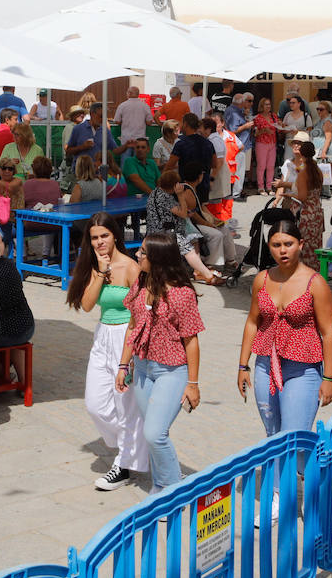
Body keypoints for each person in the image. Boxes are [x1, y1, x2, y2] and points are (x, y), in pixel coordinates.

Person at [237, 219, 332, 466]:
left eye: (288, 244)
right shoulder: (262, 279)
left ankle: (287, 492)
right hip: (265, 365)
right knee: (273, 436)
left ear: (301, 245)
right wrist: (242, 365)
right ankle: (287, 487)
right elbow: (252, 321)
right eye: (276, 245)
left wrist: (329, 379)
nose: (282, 250)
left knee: (292, 439)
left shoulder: (316, 283)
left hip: (302, 368)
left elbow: (329, 333)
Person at [115, 232, 206, 495]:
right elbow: (133, 327)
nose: (137, 255)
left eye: (143, 252)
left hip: (172, 372)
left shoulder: (181, 294)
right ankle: (160, 484)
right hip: (142, 369)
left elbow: (192, 341)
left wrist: (193, 384)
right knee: (151, 432)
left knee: (155, 433)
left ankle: (173, 490)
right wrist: (123, 365)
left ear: (157, 258)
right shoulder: (141, 283)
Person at [67, 213, 147, 491]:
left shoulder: (131, 267)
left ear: (115, 236)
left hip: (126, 337)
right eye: (94, 237)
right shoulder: (94, 266)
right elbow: (88, 305)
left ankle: (124, 463)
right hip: (102, 335)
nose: (100, 242)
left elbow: (141, 313)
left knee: (125, 405)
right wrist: (100, 272)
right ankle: (136, 445)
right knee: (96, 404)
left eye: (105, 236)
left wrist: (132, 354)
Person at [147, 169, 220, 285]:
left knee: (191, 239)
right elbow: (183, 213)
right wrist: (180, 194)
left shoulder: (156, 192)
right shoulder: (164, 197)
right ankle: (206, 274)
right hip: (163, 233)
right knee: (188, 247)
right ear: (175, 185)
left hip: (162, 230)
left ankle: (201, 272)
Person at [0, 228, 33, 386]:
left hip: (3, 330)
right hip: (26, 325)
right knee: (15, 344)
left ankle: (3, 375)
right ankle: (24, 383)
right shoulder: (9, 264)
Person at [178, 160, 236, 280]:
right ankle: (209, 265)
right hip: (190, 225)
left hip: (196, 221)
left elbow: (202, 207)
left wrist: (214, 220)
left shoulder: (193, 188)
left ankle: (230, 259)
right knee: (216, 234)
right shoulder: (187, 191)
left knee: (224, 229)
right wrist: (209, 224)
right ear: (199, 176)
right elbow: (193, 215)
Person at [292, 141, 325, 269]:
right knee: (315, 245)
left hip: (306, 213)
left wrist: (290, 195)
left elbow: (302, 197)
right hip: (317, 211)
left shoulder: (303, 173)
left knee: (304, 247)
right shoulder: (318, 171)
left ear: (301, 154)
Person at [67, 102, 119, 171]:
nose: (103, 119)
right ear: (92, 114)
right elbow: (68, 151)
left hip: (99, 172)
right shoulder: (77, 129)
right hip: (81, 172)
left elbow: (115, 150)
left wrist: (127, 145)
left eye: (105, 117)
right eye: (100, 116)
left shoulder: (105, 131)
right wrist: (82, 147)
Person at [225, 93, 254, 197]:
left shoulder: (235, 110)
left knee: (237, 169)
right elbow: (232, 130)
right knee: (238, 170)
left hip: (240, 144)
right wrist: (245, 126)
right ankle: (236, 192)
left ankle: (235, 191)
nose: (248, 103)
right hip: (237, 146)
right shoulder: (233, 112)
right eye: (246, 101)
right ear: (241, 102)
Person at [114, 87, 154, 157]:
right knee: (139, 163)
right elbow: (149, 122)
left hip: (126, 140)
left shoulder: (122, 106)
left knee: (125, 163)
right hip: (140, 140)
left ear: (129, 93)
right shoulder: (145, 106)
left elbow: (117, 121)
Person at [251, 97, 279, 194]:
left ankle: (269, 187)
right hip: (261, 143)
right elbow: (255, 134)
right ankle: (261, 187)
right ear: (261, 106)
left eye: (269, 104)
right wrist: (264, 130)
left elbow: (278, 127)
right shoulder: (257, 118)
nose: (268, 106)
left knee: (271, 166)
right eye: (266, 104)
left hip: (272, 143)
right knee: (261, 166)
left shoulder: (274, 116)